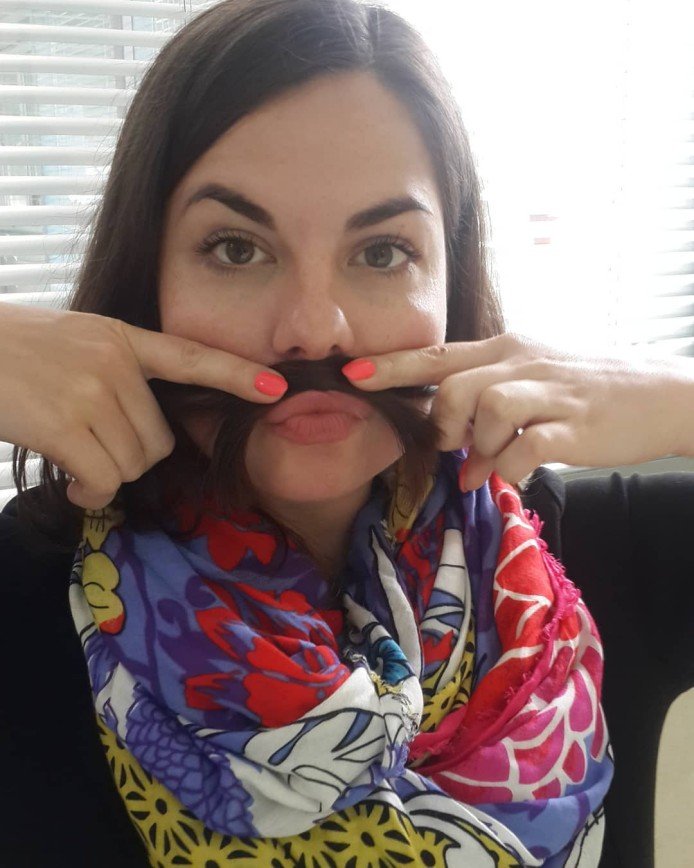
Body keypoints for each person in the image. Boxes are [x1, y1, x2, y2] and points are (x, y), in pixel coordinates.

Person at [0, 0, 693, 865]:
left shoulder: (593, 546)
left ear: (450, 284)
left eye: (382, 252)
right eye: (236, 248)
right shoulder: (26, 596)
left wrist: (677, 398)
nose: (314, 330)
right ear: (150, 279)